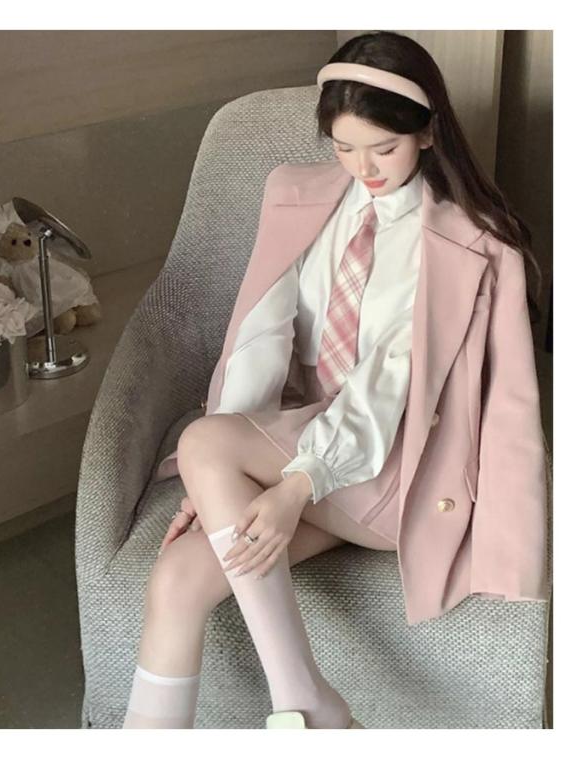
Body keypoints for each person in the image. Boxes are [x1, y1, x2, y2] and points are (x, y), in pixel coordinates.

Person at [122, 31, 546, 730]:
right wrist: (217, 482)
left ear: (428, 132)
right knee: (177, 579)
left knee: (204, 442)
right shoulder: (298, 196)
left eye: (384, 148)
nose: (363, 167)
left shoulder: (469, 239)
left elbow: (394, 384)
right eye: (345, 147)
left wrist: (294, 485)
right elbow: (262, 337)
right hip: (310, 447)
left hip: (400, 469)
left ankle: (309, 701)